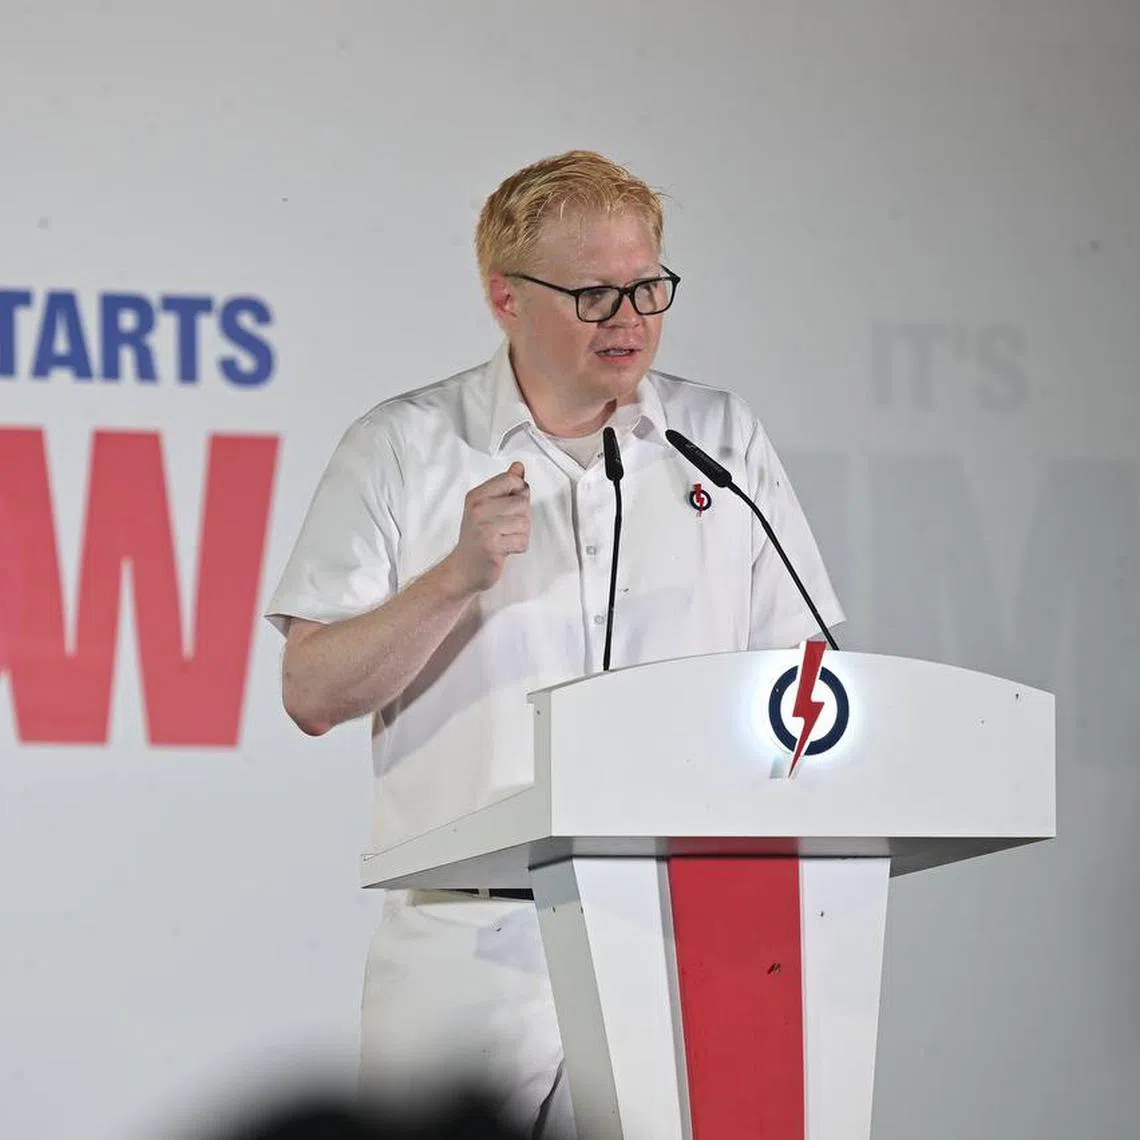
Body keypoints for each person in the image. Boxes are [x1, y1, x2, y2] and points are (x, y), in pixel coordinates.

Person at [265, 150, 844, 1138]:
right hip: (470, 934)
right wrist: (453, 580)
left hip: (676, 930)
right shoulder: (407, 445)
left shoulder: (718, 440)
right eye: (593, 293)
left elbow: (809, 678)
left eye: (649, 285)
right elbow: (312, 690)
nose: (631, 319)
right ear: (505, 298)